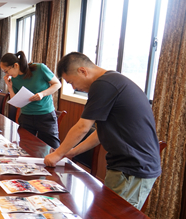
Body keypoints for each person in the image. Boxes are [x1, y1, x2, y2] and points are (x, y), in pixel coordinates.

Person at [44, 52, 161, 210]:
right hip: (126, 165)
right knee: (104, 214)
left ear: (83, 71)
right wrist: (72, 152)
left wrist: (58, 154)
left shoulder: (103, 84)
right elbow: (100, 133)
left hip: (134, 166)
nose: (74, 88)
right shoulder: (111, 81)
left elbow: (82, 127)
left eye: (71, 82)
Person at [1, 51, 62, 148]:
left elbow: (57, 84)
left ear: (15, 65)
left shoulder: (39, 68)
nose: (6, 74)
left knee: (52, 147)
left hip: (45, 115)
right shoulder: (14, 79)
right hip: (26, 116)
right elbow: (16, 103)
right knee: (26, 148)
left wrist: (42, 94)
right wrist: (10, 87)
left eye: (6, 71)